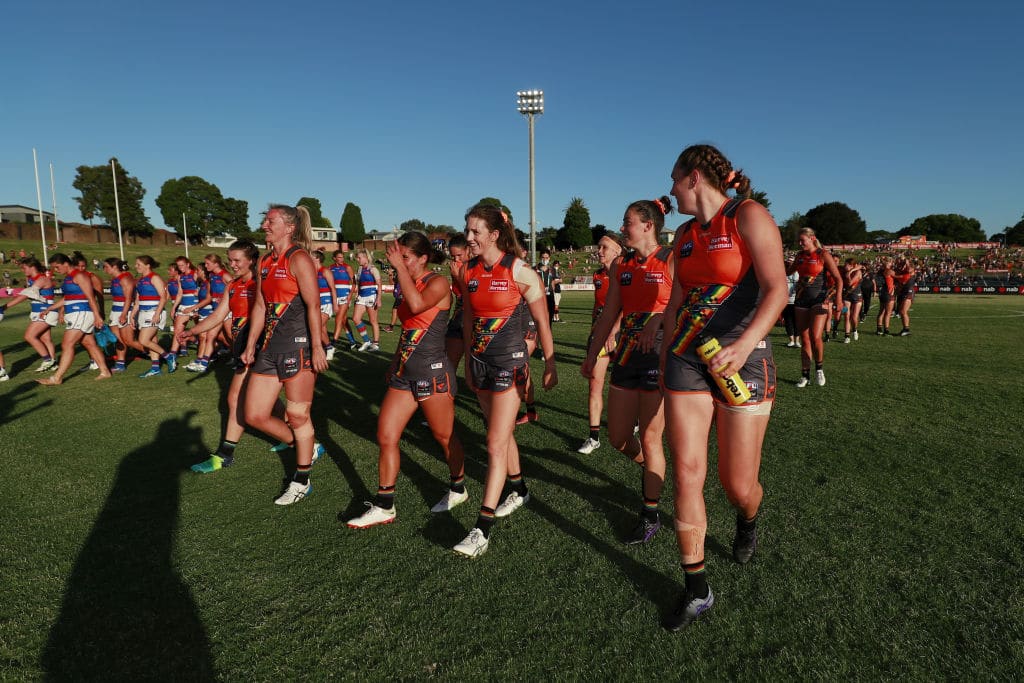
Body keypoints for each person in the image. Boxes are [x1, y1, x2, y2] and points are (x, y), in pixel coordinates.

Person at [660, 143, 787, 631]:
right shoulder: (686, 235)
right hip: (688, 361)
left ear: (694, 177)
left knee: (738, 485)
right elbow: (677, 299)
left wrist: (745, 344)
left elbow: (777, 289)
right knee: (688, 472)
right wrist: (666, 347)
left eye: (674, 178)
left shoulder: (748, 216)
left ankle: (748, 519)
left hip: (744, 362)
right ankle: (697, 588)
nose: (670, 189)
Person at [453, 202, 557, 557]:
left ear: (494, 235)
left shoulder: (521, 270)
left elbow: (542, 321)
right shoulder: (467, 272)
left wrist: (551, 362)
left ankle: (481, 528)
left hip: (510, 364)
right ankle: (520, 489)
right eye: (467, 230)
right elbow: (467, 319)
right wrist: (467, 361)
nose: (469, 237)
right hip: (480, 363)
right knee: (501, 435)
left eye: (475, 232)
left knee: (495, 441)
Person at [347, 232, 468, 528]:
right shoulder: (407, 283)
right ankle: (385, 504)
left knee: (443, 436)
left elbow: (416, 307)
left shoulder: (437, 283)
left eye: (405, 257)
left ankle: (458, 486)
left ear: (422, 258)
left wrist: (400, 271)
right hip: (405, 373)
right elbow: (408, 329)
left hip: (432, 372)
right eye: (397, 257)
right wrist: (394, 361)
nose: (397, 263)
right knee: (386, 435)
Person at [582, 197, 673, 545]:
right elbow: (609, 314)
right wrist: (592, 355)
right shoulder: (622, 264)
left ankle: (649, 513)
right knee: (619, 438)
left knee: (651, 438)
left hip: (659, 356)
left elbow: (684, 303)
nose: (623, 228)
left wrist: (659, 319)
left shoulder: (670, 259)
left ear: (648, 225)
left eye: (628, 222)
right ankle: (654, 472)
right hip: (626, 355)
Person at [240, 204, 328, 506]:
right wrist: (251, 344)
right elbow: (261, 306)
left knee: (297, 415)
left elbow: (314, 305)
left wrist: (317, 346)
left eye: (271, 221)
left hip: (298, 347)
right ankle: (305, 445)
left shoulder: (299, 258)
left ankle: (301, 479)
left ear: (289, 227)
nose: (265, 225)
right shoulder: (264, 260)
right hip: (269, 348)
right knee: (254, 414)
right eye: (265, 220)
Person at [181, 241, 260, 473]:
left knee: (235, 399)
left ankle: (225, 454)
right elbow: (218, 315)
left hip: (256, 348)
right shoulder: (233, 285)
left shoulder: (261, 284)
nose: (232, 265)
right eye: (230, 260)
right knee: (265, 405)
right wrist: (193, 331)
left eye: (237, 260)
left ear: (251, 260)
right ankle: (303, 440)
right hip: (240, 346)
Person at [576, 234, 623, 455]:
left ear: (618, 252)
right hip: (599, 336)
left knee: (627, 387)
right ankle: (594, 436)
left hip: (624, 335)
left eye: (605, 247)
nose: (599, 251)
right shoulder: (597, 274)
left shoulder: (629, 273)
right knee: (595, 383)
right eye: (599, 247)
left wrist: (614, 330)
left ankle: (633, 422)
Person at [36, 253, 112, 385]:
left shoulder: (79, 276)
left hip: (81, 312)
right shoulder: (69, 277)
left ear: (66, 263)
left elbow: (90, 297)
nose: (56, 270)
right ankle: (105, 371)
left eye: (57, 267)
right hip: (76, 313)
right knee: (89, 343)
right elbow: (67, 298)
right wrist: (50, 308)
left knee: (67, 344)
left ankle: (57, 378)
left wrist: (98, 315)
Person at [787, 228, 842, 387]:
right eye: (799, 240)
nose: (799, 243)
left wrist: (838, 299)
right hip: (801, 299)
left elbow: (838, 279)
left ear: (812, 238)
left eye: (802, 240)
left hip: (820, 300)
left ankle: (819, 368)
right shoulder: (800, 256)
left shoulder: (823, 254)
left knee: (815, 336)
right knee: (804, 338)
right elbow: (788, 272)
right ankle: (805, 375)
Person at [2, 258, 58, 372]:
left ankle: (47, 360)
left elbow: (27, 294)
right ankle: (53, 363)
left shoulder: (41, 279)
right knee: (46, 339)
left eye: (24, 268)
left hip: (45, 312)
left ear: (32, 267)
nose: (23, 270)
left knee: (29, 336)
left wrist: (5, 306)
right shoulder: (32, 279)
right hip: (41, 312)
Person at [130, 256, 178, 377]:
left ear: (148, 265)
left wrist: (157, 313)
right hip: (143, 313)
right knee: (152, 340)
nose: (136, 267)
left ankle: (168, 356)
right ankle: (155, 368)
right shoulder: (140, 280)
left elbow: (164, 296)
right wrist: (132, 315)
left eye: (139, 264)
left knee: (143, 340)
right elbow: (138, 300)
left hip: (153, 313)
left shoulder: (155, 278)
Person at [102, 258, 143, 372]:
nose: (104, 269)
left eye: (106, 267)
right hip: (115, 310)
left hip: (124, 311)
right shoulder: (114, 279)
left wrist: (124, 314)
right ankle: (120, 364)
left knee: (129, 341)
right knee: (118, 340)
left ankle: (157, 353)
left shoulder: (125, 278)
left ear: (114, 267)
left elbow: (129, 298)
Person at [444, 234, 469, 373]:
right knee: (449, 360)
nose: (456, 259)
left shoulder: (475, 267)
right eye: (453, 256)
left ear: (468, 250)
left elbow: (472, 294)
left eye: (459, 255)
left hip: (473, 314)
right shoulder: (456, 267)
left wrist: (458, 277)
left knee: (473, 363)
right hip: (459, 313)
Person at [350, 249, 382, 351]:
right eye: (357, 257)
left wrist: (379, 299)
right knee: (355, 318)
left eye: (359, 257)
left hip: (371, 296)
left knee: (373, 321)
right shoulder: (359, 270)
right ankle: (367, 341)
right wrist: (357, 294)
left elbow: (379, 284)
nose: (357, 259)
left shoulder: (373, 269)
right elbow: (359, 284)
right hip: (361, 297)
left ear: (366, 258)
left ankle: (375, 344)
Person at [329, 249, 356, 350]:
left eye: (342, 257)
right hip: (335, 297)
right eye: (339, 257)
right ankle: (352, 342)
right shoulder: (330, 268)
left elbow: (354, 283)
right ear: (334, 258)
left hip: (345, 296)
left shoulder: (347, 267)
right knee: (344, 320)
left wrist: (350, 296)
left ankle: (333, 343)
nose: (341, 259)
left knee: (338, 319)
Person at [313, 251, 337, 360]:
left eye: (311, 256)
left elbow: (333, 288)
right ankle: (328, 347)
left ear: (317, 258)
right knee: (322, 328)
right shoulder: (312, 272)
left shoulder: (325, 271)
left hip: (327, 302)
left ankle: (326, 348)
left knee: (317, 326)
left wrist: (335, 304)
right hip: (317, 303)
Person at [841, 258, 865, 343]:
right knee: (846, 315)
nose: (844, 266)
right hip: (846, 296)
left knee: (854, 317)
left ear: (851, 266)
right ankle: (847, 336)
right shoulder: (844, 271)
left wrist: (849, 273)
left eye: (846, 265)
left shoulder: (858, 272)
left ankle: (855, 330)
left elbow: (850, 283)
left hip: (857, 297)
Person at [894, 256, 916, 336]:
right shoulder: (901, 270)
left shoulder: (910, 268)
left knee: (903, 311)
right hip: (904, 292)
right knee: (901, 311)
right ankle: (905, 329)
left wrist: (906, 262)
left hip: (909, 292)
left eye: (902, 264)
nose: (901, 266)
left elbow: (909, 270)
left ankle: (906, 329)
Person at [876, 257, 896, 335]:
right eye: (891, 262)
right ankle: (886, 330)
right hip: (889, 293)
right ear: (888, 263)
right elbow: (897, 276)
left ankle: (879, 329)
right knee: (888, 313)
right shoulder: (889, 271)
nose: (892, 264)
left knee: (881, 311)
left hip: (882, 293)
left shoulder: (880, 271)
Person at [783, 268, 800, 348]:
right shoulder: (783, 272)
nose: (789, 265)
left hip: (796, 301)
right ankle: (791, 340)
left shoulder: (798, 273)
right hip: (786, 301)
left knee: (797, 321)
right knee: (788, 321)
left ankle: (797, 341)